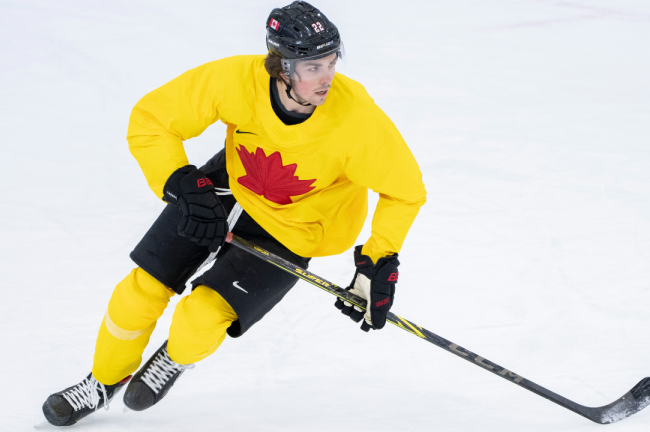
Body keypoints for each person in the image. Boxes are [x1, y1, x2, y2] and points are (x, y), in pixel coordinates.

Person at [42, 1, 426, 426]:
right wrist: (181, 182)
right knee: (138, 292)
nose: (327, 77)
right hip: (229, 187)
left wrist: (377, 261)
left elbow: (405, 191)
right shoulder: (236, 79)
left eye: (332, 62)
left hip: (299, 224)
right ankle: (100, 382)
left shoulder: (357, 120)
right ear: (281, 67)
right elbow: (152, 118)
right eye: (313, 67)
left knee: (200, 317)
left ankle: (174, 359)